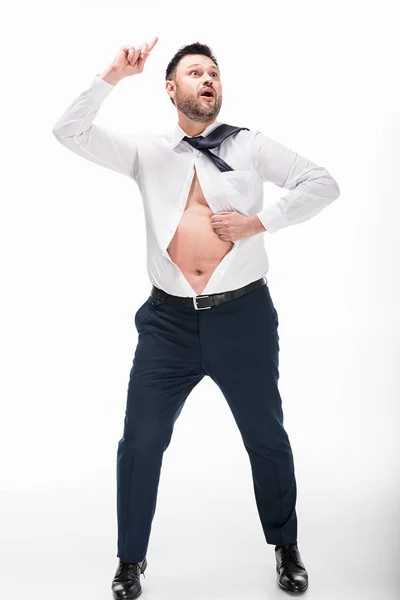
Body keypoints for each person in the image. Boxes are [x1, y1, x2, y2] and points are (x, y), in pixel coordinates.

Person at [52, 36, 340, 598]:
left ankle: (286, 545)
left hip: (245, 319)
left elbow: (322, 183)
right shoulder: (145, 151)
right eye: (195, 72)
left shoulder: (249, 146)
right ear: (171, 89)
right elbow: (69, 131)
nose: (209, 79)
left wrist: (263, 222)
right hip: (168, 326)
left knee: (266, 437)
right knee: (140, 441)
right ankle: (130, 560)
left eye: (215, 72)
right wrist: (111, 74)